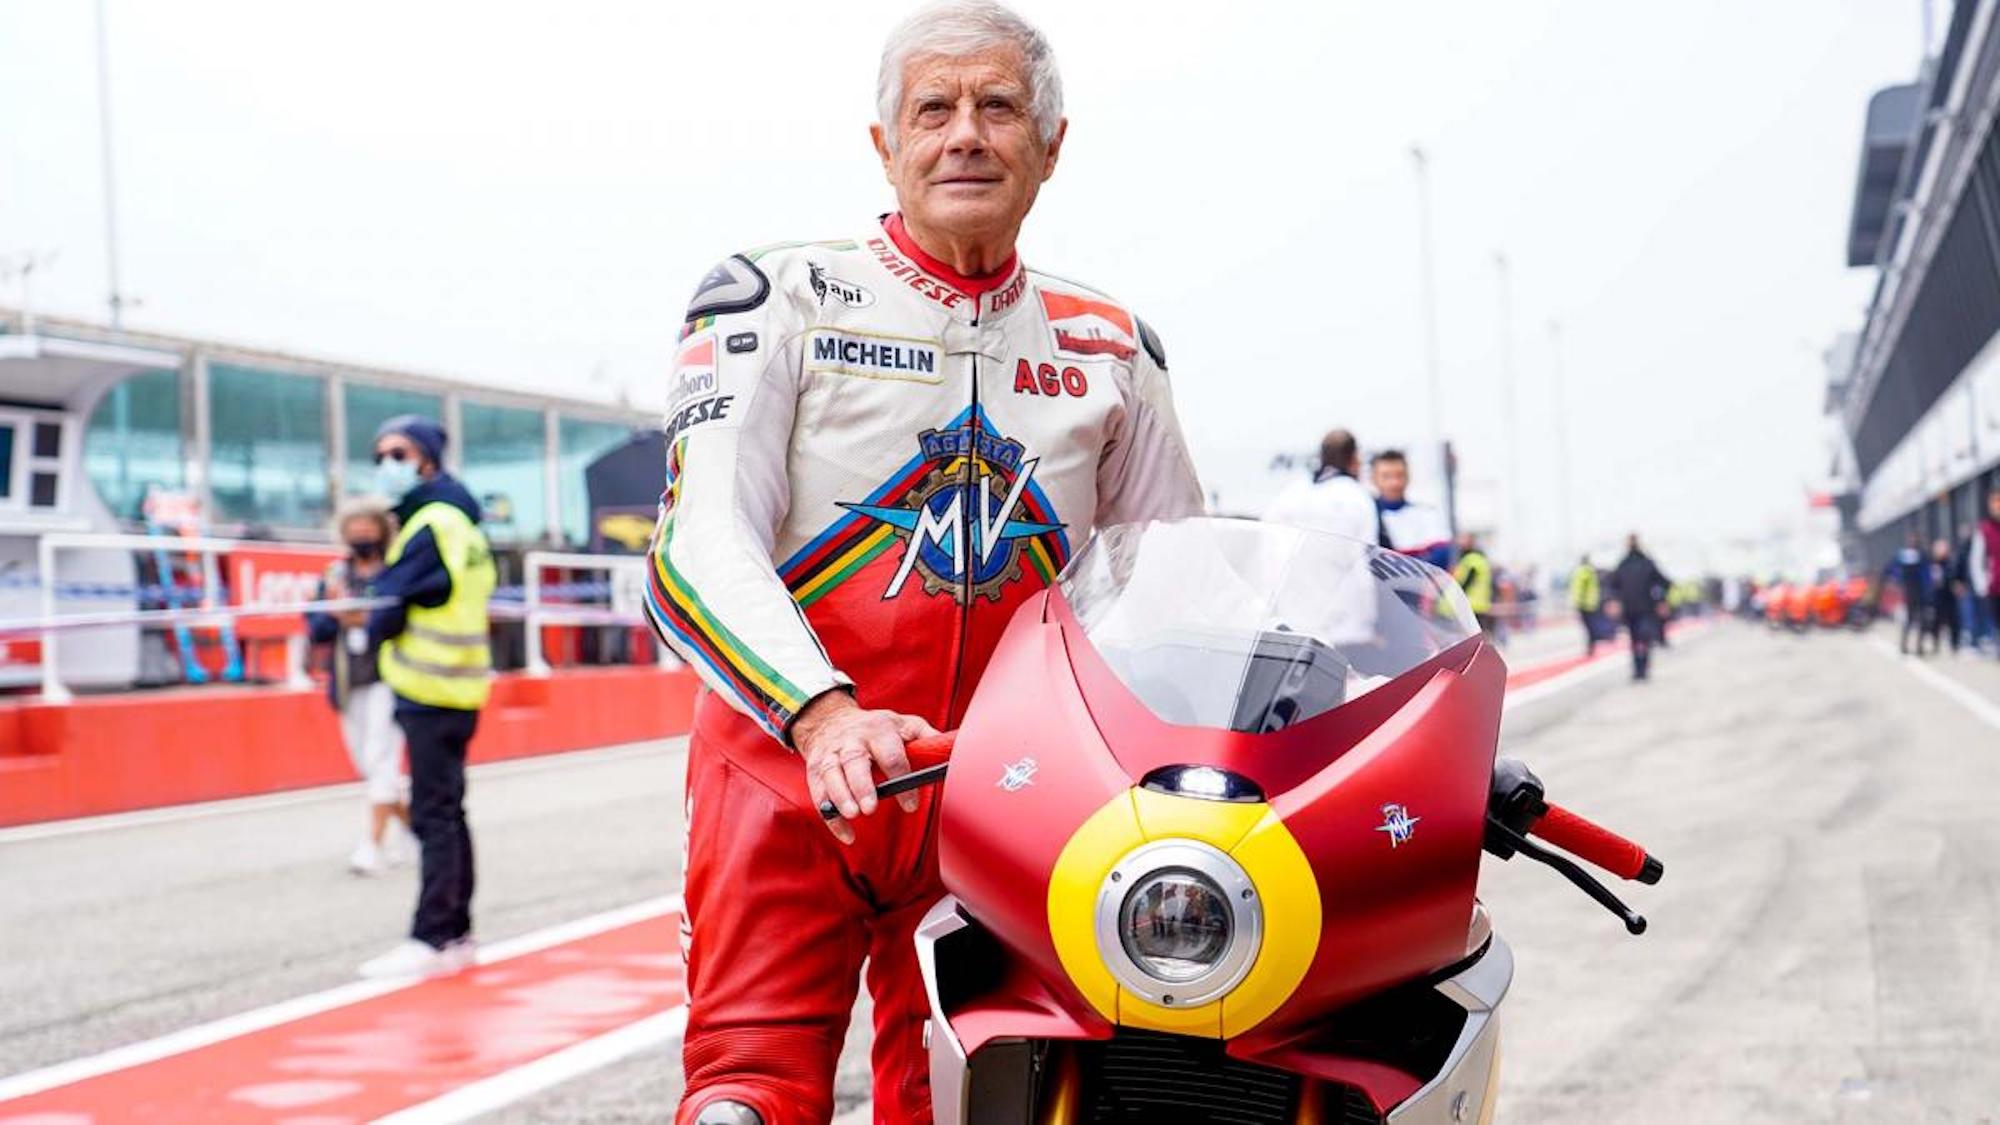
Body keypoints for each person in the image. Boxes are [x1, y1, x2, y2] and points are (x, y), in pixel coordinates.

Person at [642, 4, 1206, 1119]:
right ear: (882, 144)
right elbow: (695, 546)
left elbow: (1174, 585)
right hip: (787, 774)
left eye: (997, 108)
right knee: (745, 1095)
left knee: (979, 1096)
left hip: (1001, 793)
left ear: (1050, 145)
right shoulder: (775, 297)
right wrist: (821, 716)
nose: (963, 135)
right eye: (932, 110)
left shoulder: (1108, 343)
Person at [355, 415, 497, 979]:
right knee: (449, 814)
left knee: (435, 817)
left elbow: (392, 601)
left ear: (427, 459)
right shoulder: (462, 522)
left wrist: (371, 623)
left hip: (428, 687)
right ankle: (456, 933)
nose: (386, 463)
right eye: (380, 454)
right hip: (459, 687)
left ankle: (434, 936)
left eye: (398, 452)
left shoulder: (429, 524)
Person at [305, 497, 413, 876]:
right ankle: (415, 828)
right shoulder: (335, 576)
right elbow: (316, 629)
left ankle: (371, 846)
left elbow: (398, 619)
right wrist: (336, 615)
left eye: (369, 528)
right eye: (355, 529)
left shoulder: (395, 573)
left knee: (380, 755)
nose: (362, 535)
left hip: (388, 676)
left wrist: (366, 619)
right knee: (367, 764)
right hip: (348, 679)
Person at [1267, 429, 1380, 544]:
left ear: (1321, 456)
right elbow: (1367, 550)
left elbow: (1271, 541)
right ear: (1353, 458)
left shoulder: (1292, 492)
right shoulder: (1359, 497)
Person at [1369, 448, 1451, 567]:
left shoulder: (1426, 514)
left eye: (1399, 475)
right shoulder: (1367, 516)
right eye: (1386, 476)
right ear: (1374, 479)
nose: (1394, 482)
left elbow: (1442, 555)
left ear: (1408, 476)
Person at [1610, 534, 1669, 681]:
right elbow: (1613, 585)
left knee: (1643, 637)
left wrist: (1660, 600)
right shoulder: (1623, 564)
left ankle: (1643, 668)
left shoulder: (1647, 563)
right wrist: (1614, 600)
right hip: (1630, 609)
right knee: (1635, 639)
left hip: (1646, 608)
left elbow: (1664, 582)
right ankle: (1637, 669)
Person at [1886, 533, 1929, 656]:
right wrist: (1896, 580)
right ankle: (1905, 645)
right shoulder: (1904, 555)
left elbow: (1926, 575)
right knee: (1910, 619)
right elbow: (1893, 569)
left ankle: (1918, 646)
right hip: (1910, 591)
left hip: (1918, 591)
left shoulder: (1921, 555)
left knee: (1920, 620)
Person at [1923, 537, 1966, 655]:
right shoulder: (1931, 563)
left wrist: (1958, 584)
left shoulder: (1951, 562)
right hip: (1937, 597)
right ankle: (1935, 643)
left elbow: (1958, 576)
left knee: (1954, 621)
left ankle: (1955, 645)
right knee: (1936, 621)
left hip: (1950, 596)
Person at [1452, 531, 1496, 636]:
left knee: (1469, 635)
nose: (1459, 542)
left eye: (1463, 539)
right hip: (1480, 604)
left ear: (1470, 541)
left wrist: (1458, 596)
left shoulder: (1471, 559)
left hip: (1470, 604)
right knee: (1479, 635)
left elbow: (1467, 582)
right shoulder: (1480, 558)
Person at [1978, 491, 2000, 657]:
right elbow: (1976, 560)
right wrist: (1982, 584)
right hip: (1994, 585)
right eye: (1995, 502)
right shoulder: (1984, 530)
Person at [1567, 554, 1602, 656]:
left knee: (1588, 626)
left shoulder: (1583, 571)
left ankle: (1591, 645)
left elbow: (1580, 589)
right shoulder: (1591, 571)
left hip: (1584, 604)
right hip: (1591, 603)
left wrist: (1577, 602)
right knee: (1590, 626)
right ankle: (1592, 644)